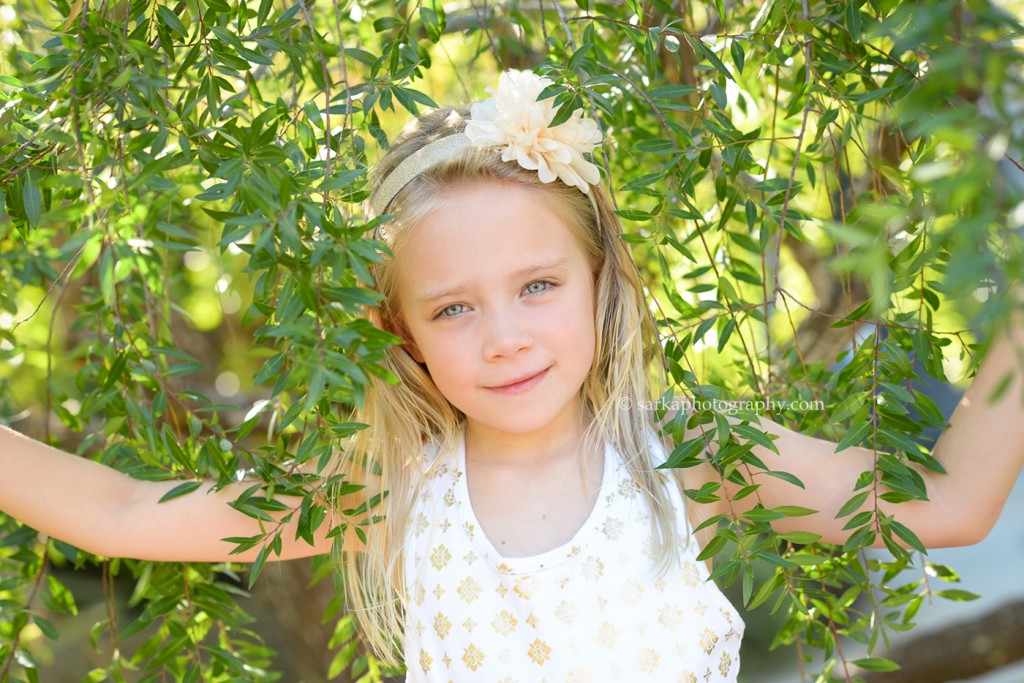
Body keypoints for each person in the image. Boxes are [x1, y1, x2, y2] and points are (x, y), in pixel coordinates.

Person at [2, 68, 1024, 682]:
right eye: (454, 306)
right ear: (401, 331)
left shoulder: (692, 458)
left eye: (537, 285)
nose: (502, 336)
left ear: (599, 283)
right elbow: (132, 511)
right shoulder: (397, 490)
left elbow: (952, 501)